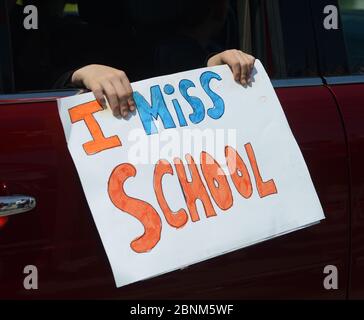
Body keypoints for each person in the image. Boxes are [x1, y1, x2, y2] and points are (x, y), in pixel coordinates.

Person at [56, 0, 256, 118]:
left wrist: (216, 65)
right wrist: (79, 75)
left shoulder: (179, 52)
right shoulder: (70, 46)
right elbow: (36, 83)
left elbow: (181, 71)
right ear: (221, 11)